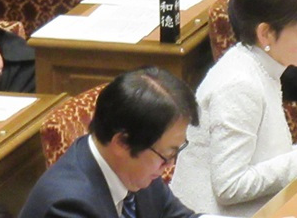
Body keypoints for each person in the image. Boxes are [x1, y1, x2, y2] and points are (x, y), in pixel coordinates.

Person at [171, 0, 297, 216]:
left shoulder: (261, 66)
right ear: (265, 34)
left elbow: (260, 160)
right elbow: (230, 187)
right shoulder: (238, 85)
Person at [18, 67, 198, 218]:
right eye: (166, 155)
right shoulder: (68, 206)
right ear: (122, 142)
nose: (169, 165)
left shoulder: (137, 169)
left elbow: (175, 214)